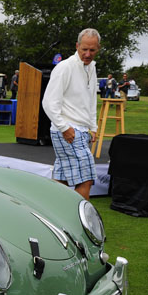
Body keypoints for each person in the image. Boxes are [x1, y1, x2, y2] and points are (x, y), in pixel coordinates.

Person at [42, 28, 101, 201]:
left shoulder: (91, 68)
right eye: (84, 49)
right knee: (86, 179)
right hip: (68, 131)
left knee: (62, 179)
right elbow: (49, 102)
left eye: (92, 50)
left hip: (79, 130)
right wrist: (64, 128)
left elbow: (90, 100)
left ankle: (52, 219)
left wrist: (93, 126)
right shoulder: (65, 67)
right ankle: (78, 224)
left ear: (98, 48)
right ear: (77, 46)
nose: (88, 54)